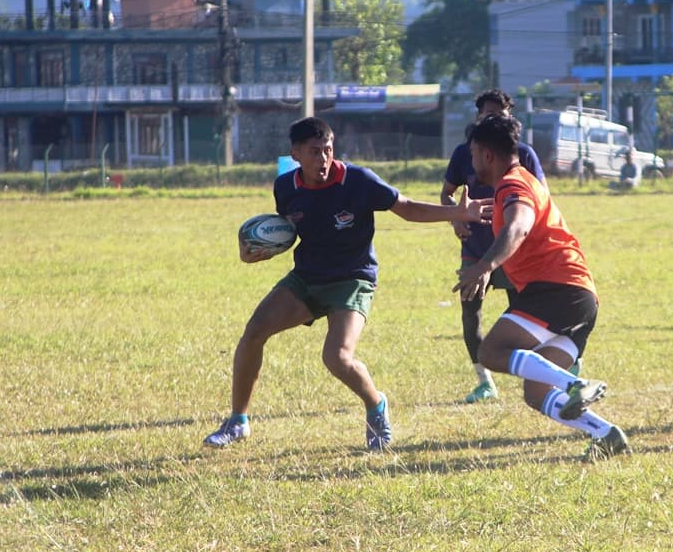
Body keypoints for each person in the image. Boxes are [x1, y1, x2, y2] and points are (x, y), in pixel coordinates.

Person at [203, 117, 492, 450]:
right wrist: (256, 252)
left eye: (327, 150)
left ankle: (376, 405)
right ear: (295, 153)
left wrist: (458, 213)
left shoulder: (358, 180)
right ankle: (238, 421)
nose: (323, 159)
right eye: (314, 152)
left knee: (337, 357)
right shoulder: (285, 187)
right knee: (254, 332)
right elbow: (288, 231)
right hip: (308, 277)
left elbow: (407, 208)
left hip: (353, 279)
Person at [454, 113, 629, 460]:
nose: (471, 162)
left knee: (490, 352)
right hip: (580, 297)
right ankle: (606, 434)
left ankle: (576, 384)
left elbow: (518, 226)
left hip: (557, 289)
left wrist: (485, 265)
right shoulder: (522, 181)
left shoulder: (514, 184)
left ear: (488, 154)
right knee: (536, 393)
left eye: (473, 153)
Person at [441, 89, 545, 404]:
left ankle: (547, 368)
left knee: (524, 313)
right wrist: (455, 218)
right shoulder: (464, 153)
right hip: (475, 245)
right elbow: (447, 193)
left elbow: (540, 198)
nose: (492, 119)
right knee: (470, 313)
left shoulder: (523, 154)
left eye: (499, 115)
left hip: (510, 248)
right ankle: (484, 381)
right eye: (487, 114)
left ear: (510, 118)